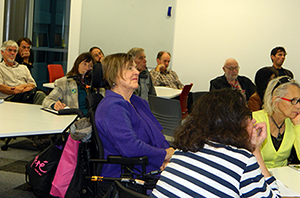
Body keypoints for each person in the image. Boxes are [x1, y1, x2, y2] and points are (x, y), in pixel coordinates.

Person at [150, 89, 280, 197]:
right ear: (237, 121)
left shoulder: (184, 149)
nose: (252, 121)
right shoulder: (242, 160)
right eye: (248, 115)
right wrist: (255, 150)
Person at [95, 53, 174, 179]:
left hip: (150, 165)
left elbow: (156, 135)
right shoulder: (112, 107)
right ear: (113, 75)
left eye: (135, 68)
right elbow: (131, 148)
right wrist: (164, 155)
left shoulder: (137, 102)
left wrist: (167, 158)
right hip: (130, 173)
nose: (136, 72)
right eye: (129, 68)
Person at [253, 76, 300, 168]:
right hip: (257, 175)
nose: (298, 106)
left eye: (299, 100)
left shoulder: (293, 122)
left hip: (283, 177)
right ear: (275, 101)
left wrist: (298, 126)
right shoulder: (254, 120)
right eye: (293, 101)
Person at [0, 40, 45, 104]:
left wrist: (21, 87)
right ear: (2, 52)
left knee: (41, 95)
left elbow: (33, 85)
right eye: (9, 50)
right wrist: (15, 90)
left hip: (26, 95)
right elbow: (1, 87)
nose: (12, 53)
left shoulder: (23, 68)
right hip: (10, 98)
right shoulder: (1, 68)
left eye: (15, 51)